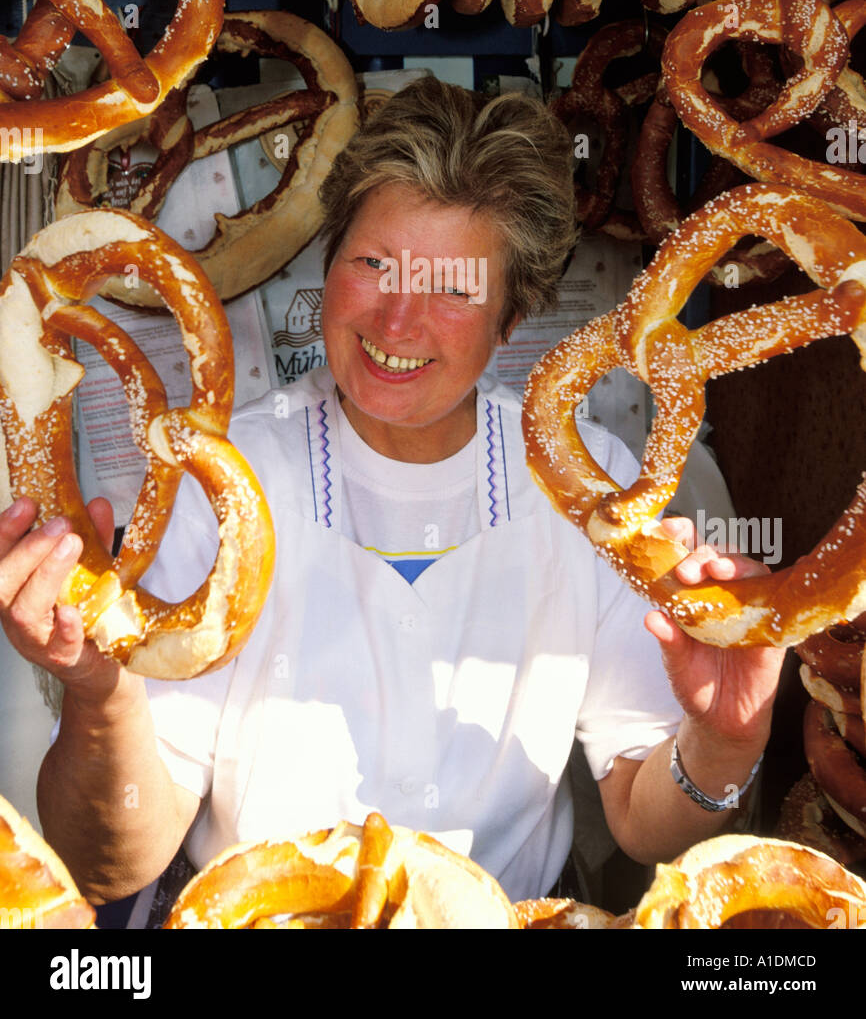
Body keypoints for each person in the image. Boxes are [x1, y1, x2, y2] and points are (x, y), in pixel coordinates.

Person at [0, 78, 784, 910]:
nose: (398, 320)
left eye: (452, 288)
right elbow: (111, 869)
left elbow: (641, 820)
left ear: (511, 322)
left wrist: (723, 745)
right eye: (374, 264)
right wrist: (101, 694)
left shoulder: (593, 479)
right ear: (330, 264)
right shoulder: (218, 480)